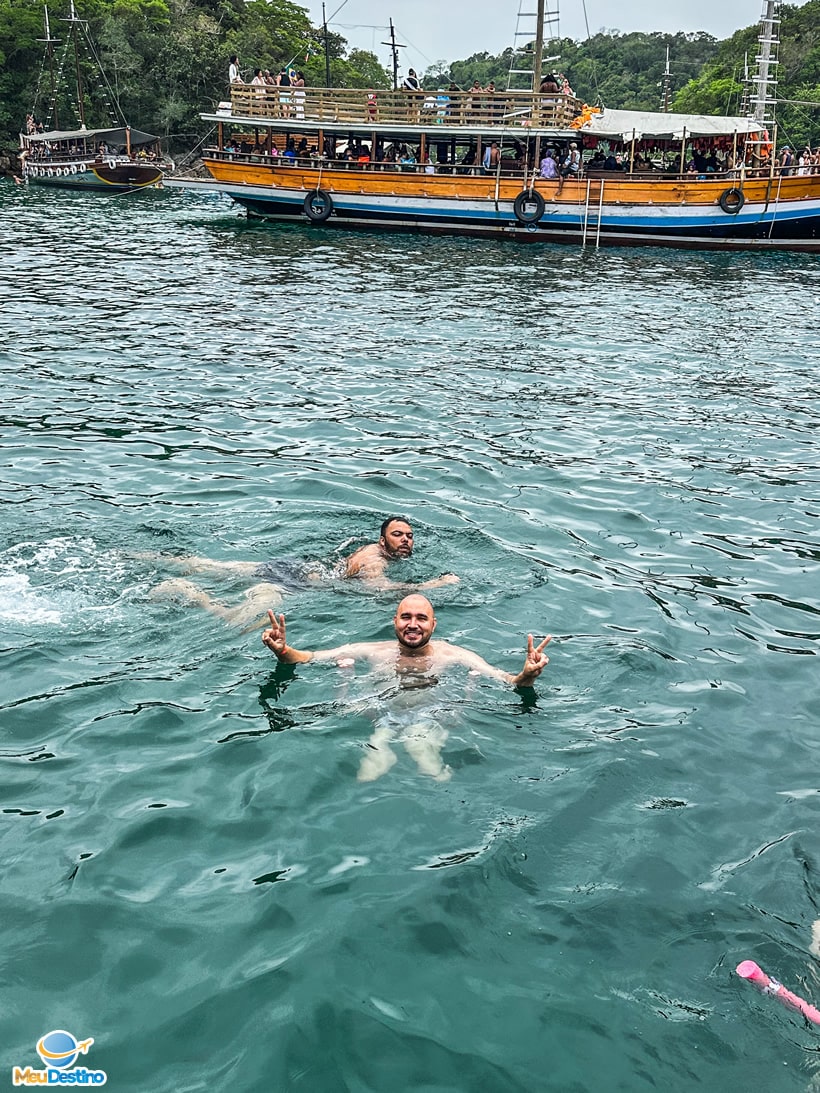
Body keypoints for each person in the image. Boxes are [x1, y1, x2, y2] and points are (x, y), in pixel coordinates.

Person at [261, 595, 552, 780]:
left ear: (433, 624)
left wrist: (527, 675)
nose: (413, 624)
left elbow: (506, 680)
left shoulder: (454, 655)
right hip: (380, 714)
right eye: (406, 617)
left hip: (430, 716)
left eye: (421, 618)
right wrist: (283, 651)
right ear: (395, 621)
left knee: (426, 760)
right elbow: (311, 658)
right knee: (368, 772)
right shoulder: (372, 650)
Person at [148, 517, 459, 628]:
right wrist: (431, 585)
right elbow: (376, 589)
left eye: (409, 535)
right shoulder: (374, 560)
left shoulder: (370, 549)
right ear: (382, 540)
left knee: (212, 566)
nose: (405, 539)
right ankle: (193, 595)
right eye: (398, 535)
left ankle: (142, 556)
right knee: (239, 622)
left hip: (294, 566)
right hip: (294, 583)